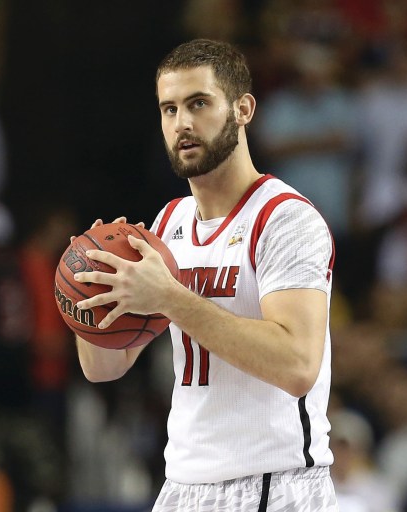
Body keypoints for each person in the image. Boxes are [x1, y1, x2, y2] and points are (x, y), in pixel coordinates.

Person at [71, 39, 338, 511]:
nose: (183, 123)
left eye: (199, 103)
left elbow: (297, 365)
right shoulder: (167, 225)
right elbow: (103, 368)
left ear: (243, 109)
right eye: (169, 109)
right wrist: (91, 290)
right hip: (183, 484)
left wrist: (171, 297)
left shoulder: (284, 218)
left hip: (273, 482)